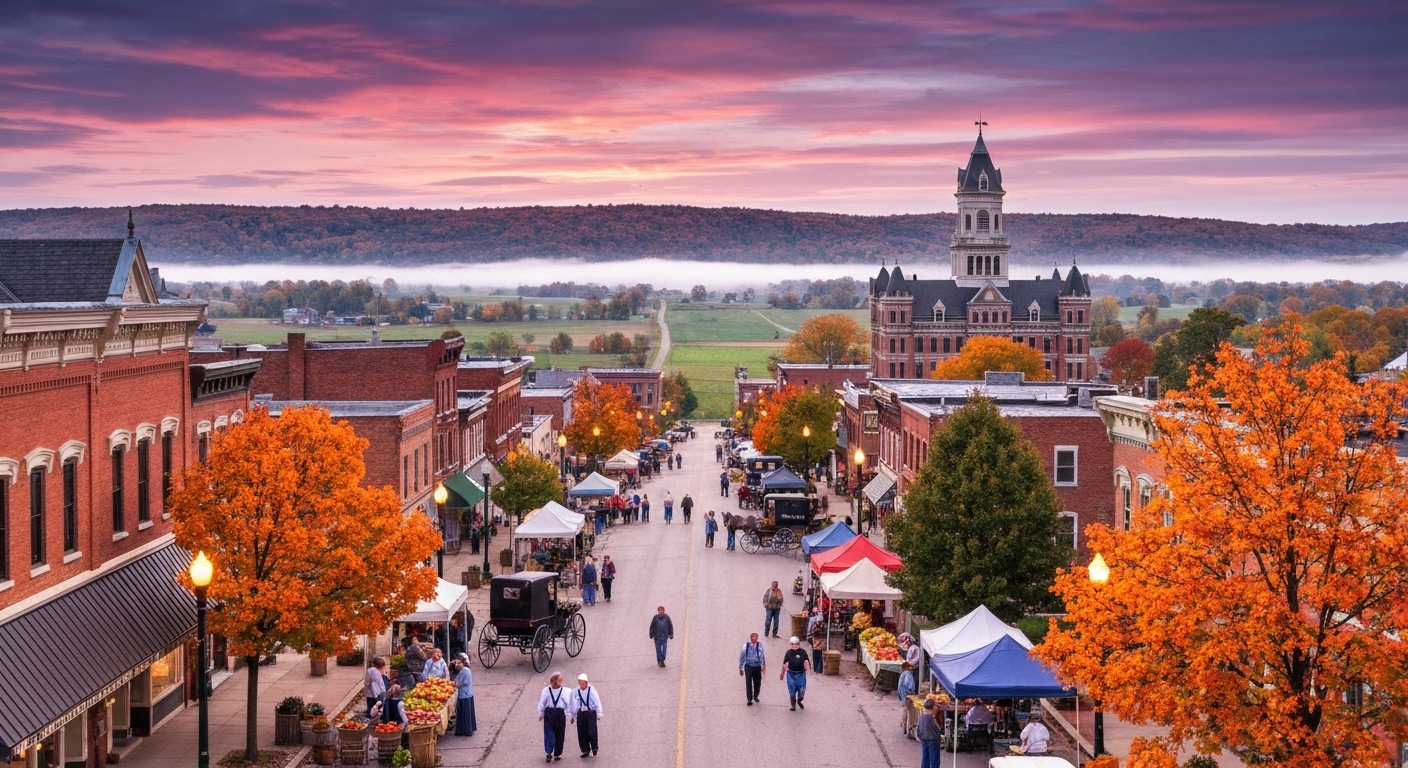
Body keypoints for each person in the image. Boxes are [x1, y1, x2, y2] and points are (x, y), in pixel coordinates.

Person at [568, 674, 603, 758]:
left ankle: (594, 747)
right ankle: (585, 750)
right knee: (582, 732)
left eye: (583, 683)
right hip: (581, 713)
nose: (582, 685)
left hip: (590, 712)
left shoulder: (591, 691)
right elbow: (574, 704)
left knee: (592, 730)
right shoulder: (576, 691)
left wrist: (599, 713)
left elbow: (597, 702)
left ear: (586, 683)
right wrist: (573, 715)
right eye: (580, 683)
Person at [538, 673, 569, 762]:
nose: (555, 684)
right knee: (549, 733)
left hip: (559, 714)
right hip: (549, 713)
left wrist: (568, 713)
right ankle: (549, 752)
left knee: (559, 734)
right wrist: (541, 713)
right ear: (551, 681)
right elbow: (542, 702)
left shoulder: (564, 691)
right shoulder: (546, 690)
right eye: (554, 681)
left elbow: (568, 703)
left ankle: (557, 753)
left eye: (558, 681)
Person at [780, 636, 810, 710]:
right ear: (791, 645)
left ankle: (799, 700)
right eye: (793, 644)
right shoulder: (788, 653)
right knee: (792, 692)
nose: (795, 645)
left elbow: (807, 661)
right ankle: (793, 706)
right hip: (791, 674)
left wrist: (808, 668)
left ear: (799, 644)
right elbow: (784, 665)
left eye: (796, 644)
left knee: (802, 690)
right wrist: (782, 674)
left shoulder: (803, 652)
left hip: (801, 674)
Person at [453, 655, 477, 737]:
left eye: (459, 663)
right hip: (467, 694)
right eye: (456, 663)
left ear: (463, 662)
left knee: (465, 714)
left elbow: (460, 683)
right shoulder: (463, 670)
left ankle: (466, 730)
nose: (457, 665)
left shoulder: (465, 671)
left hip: (465, 695)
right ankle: (468, 728)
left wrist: (455, 684)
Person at [739, 632, 766, 705]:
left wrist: (763, 666)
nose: (754, 640)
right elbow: (742, 656)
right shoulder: (746, 645)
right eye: (752, 638)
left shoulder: (759, 645)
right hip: (748, 666)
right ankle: (749, 699)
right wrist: (740, 668)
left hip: (757, 666)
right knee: (748, 683)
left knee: (757, 682)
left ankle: (756, 695)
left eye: (755, 638)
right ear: (750, 638)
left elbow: (762, 655)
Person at [916, 699, 943, 768]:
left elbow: (918, 729)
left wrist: (920, 737)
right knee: (934, 759)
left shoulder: (921, 717)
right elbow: (938, 729)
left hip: (924, 739)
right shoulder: (931, 718)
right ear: (933, 707)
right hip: (933, 740)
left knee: (925, 758)